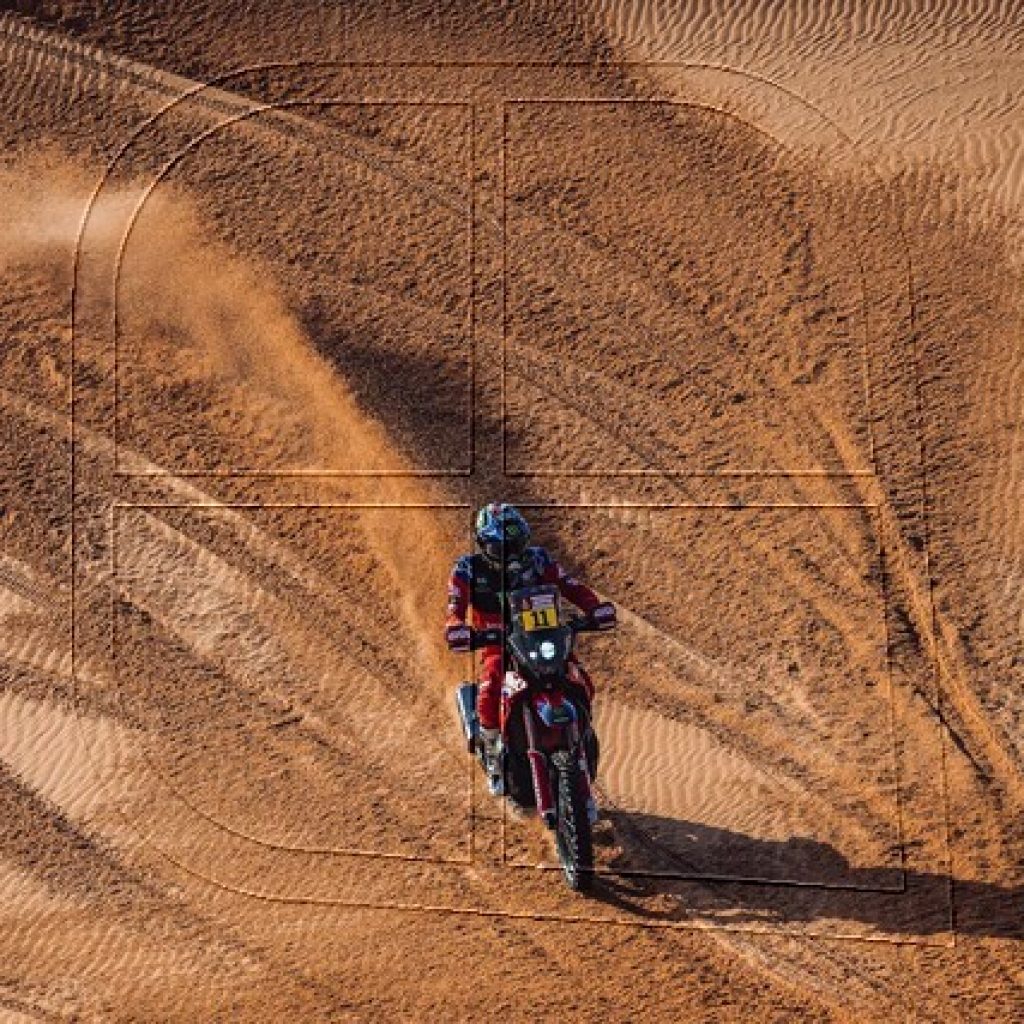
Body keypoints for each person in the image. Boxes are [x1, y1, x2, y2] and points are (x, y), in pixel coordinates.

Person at [444, 502, 616, 794]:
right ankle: (491, 744)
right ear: (485, 544)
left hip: (542, 637)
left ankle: (583, 731)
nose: (513, 554)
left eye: (518, 545)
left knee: (579, 677)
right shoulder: (467, 570)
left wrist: (595, 609)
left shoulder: (537, 560)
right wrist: (457, 628)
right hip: (498, 643)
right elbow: (454, 608)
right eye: (504, 548)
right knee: (491, 684)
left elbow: (571, 586)